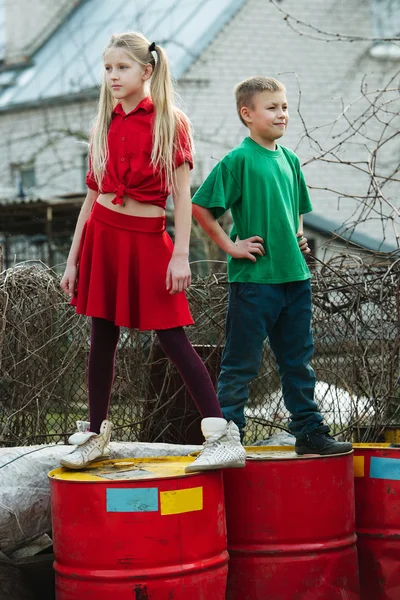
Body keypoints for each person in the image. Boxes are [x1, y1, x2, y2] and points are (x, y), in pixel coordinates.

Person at [59, 32, 246, 472]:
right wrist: (72, 259)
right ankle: (96, 432)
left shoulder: (169, 121)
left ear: (147, 70)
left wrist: (180, 254)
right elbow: (91, 198)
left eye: (121, 68)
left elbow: (183, 198)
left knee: (172, 336)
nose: (112, 76)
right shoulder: (102, 123)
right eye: (107, 69)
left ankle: (221, 434)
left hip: (148, 240)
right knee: (100, 337)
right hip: (102, 236)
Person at [192, 76, 352, 455]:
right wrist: (231, 245)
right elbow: (202, 207)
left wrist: (297, 234)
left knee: (298, 362)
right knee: (240, 364)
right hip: (255, 281)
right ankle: (228, 437)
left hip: (295, 279)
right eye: (272, 107)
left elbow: (296, 209)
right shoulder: (239, 160)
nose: (282, 114)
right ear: (247, 114)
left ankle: (309, 432)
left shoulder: (290, 159)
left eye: (284, 107)